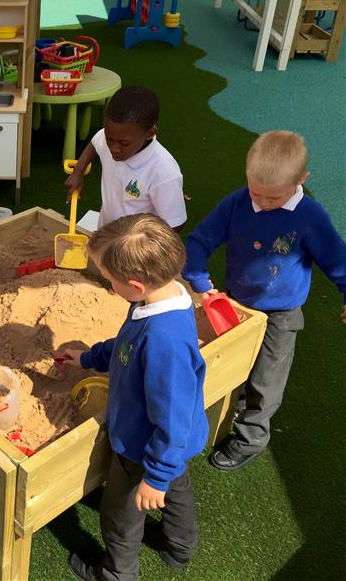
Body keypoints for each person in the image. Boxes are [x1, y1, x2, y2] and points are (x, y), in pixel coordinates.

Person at [183, 130, 346, 471]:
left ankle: (250, 437)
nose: (261, 203)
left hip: (281, 312)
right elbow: (199, 240)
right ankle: (215, 412)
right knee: (223, 360)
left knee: (266, 379)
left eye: (271, 198)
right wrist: (199, 279)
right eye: (255, 192)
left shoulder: (310, 217)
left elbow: (338, 261)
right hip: (237, 303)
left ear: (301, 180)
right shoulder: (238, 202)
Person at [56, 214, 207, 581]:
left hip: (143, 444)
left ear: (136, 286)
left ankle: (117, 573)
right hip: (172, 446)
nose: (107, 285)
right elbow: (127, 345)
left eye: (109, 280)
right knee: (177, 485)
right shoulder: (163, 298)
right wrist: (90, 357)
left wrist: (154, 475)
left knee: (120, 515)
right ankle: (179, 546)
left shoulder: (164, 342)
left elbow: (172, 417)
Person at [64, 85, 186, 230]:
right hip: (105, 231)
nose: (114, 149)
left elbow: (175, 224)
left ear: (150, 133)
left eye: (124, 143)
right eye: (109, 140)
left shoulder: (164, 172)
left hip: (135, 248)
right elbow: (95, 143)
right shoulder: (110, 137)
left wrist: (141, 244)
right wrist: (78, 171)